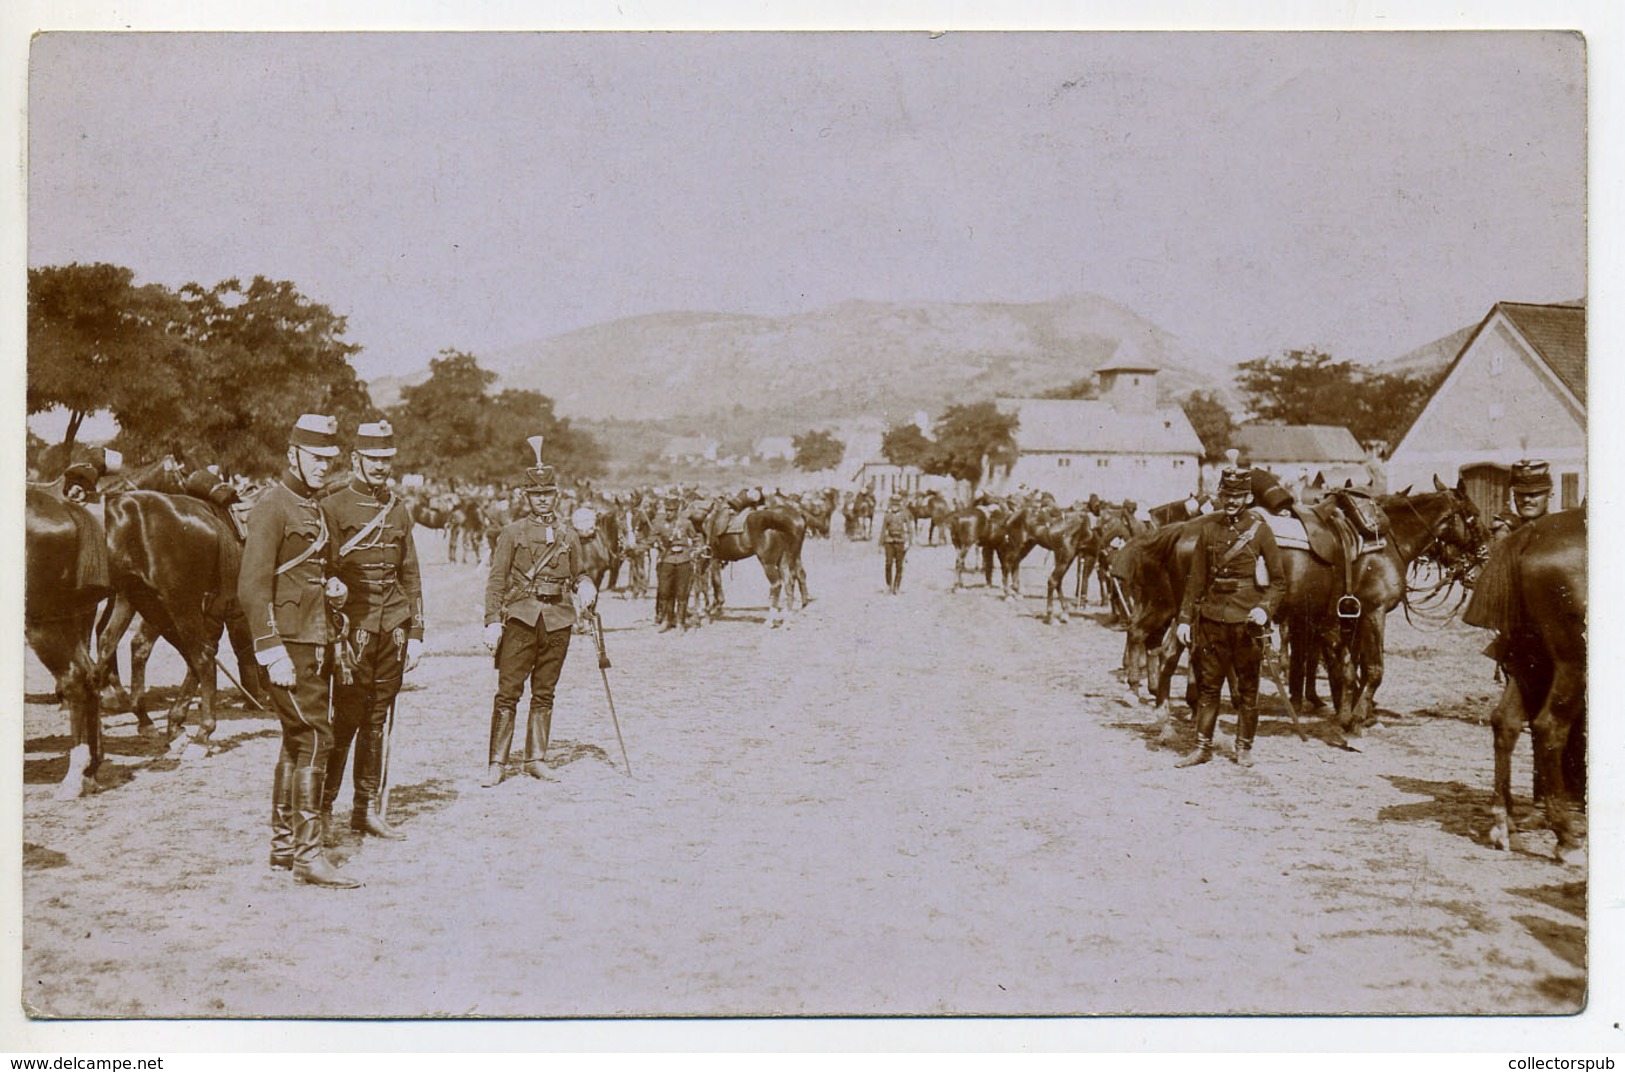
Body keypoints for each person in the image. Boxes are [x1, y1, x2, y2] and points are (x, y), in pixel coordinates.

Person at [238, 413, 359, 888]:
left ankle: (285, 844)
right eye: (316, 458)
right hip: (286, 645)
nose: (324, 467)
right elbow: (251, 588)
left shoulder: (314, 507)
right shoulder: (273, 506)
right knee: (314, 738)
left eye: (330, 459)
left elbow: (316, 570)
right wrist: (271, 650)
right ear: (292, 454)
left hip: (315, 640)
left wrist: (333, 588)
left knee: (296, 739)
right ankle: (308, 854)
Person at [319, 420, 424, 839]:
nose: (381, 467)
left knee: (377, 719)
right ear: (355, 459)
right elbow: (322, 568)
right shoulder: (334, 506)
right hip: (353, 629)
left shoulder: (398, 508)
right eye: (373, 459)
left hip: (392, 628)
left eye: (386, 459)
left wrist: (415, 632)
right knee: (344, 720)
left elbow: (410, 573)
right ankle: (324, 811)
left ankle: (365, 810)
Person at [481, 441, 596, 787]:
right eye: (536, 494)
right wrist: (491, 621)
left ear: (556, 496)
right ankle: (497, 763)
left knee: (545, 692)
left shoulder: (568, 535)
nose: (542, 499)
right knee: (508, 692)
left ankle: (535, 758)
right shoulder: (512, 533)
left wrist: (587, 585)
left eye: (547, 493)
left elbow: (579, 572)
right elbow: (497, 579)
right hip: (520, 619)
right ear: (526, 497)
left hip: (558, 620)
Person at [1173, 466, 1287, 769]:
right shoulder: (1208, 530)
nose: (1232, 501)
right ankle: (1202, 748)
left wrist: (1264, 609)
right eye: (1227, 495)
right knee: (1209, 688)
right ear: (1220, 496)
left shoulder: (1260, 530)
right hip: (1211, 621)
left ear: (1248, 497)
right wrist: (1185, 619)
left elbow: (1278, 581)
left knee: (1248, 690)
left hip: (1247, 623)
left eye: (1238, 496)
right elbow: (1195, 580)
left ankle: (1244, 748)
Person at [650, 497, 702, 632]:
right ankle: (667, 620)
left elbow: (695, 538)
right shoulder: (659, 524)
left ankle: (680, 622)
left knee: (682, 593)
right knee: (665, 591)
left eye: (672, 510)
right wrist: (657, 543)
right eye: (667, 510)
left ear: (677, 511)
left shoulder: (685, 523)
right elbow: (652, 538)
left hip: (683, 560)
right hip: (667, 560)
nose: (669, 513)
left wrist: (696, 550)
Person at [1489, 459, 1553, 543]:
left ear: (1550, 493)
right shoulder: (1507, 529)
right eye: (1520, 494)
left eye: (1533, 494)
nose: (1526, 499)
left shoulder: (1560, 528)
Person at [880, 497, 913, 594]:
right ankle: (889, 585)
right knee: (888, 564)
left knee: (899, 565)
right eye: (893, 504)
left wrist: (908, 542)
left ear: (900, 505)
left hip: (900, 542)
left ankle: (896, 586)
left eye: (897, 505)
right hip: (889, 542)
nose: (895, 507)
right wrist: (881, 544)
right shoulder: (888, 515)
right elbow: (883, 530)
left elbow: (909, 529)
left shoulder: (904, 515)